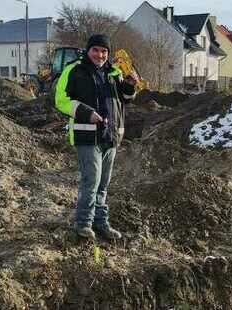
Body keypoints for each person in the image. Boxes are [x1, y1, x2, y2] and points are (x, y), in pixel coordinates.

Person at [54, 34, 137, 240]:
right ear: (88, 50)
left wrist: (130, 87)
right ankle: (83, 224)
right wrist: (85, 112)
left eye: (104, 51)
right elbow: (61, 100)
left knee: (103, 185)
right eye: (96, 50)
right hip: (87, 136)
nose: (100, 55)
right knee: (91, 181)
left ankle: (101, 223)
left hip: (110, 137)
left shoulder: (114, 73)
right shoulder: (74, 70)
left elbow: (124, 100)